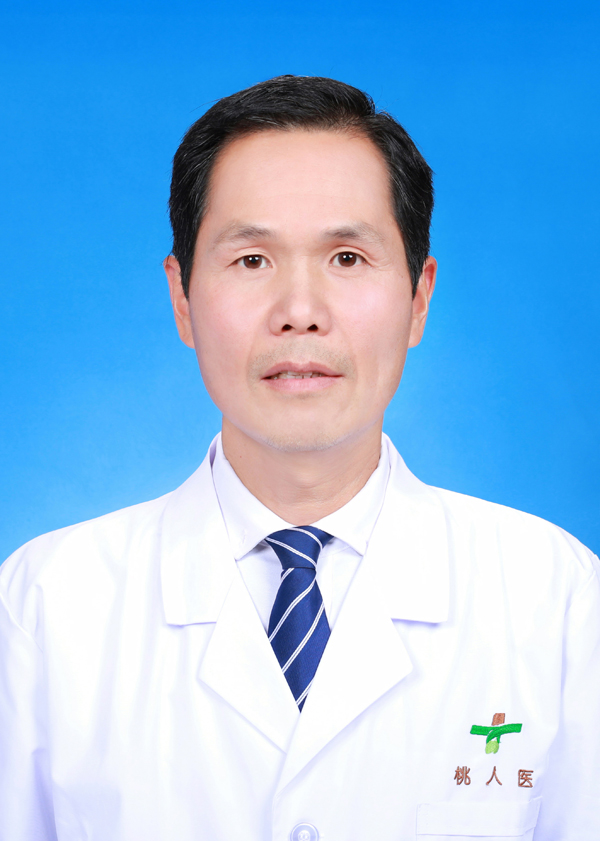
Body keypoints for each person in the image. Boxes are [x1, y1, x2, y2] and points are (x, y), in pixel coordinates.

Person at [1, 75, 598, 841]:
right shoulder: (45, 609)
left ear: (419, 298)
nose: (301, 312)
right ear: (182, 298)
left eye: (347, 257)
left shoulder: (558, 603)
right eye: (253, 260)